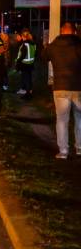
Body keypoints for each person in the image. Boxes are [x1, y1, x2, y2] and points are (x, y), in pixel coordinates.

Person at [43, 22, 81, 159]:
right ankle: (80, 148)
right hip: (78, 87)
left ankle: (63, 151)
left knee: (62, 120)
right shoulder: (78, 45)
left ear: (61, 31)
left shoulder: (53, 46)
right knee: (80, 119)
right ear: (74, 32)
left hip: (60, 87)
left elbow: (43, 57)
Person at [15, 29, 37, 99]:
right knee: (29, 79)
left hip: (24, 64)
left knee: (26, 79)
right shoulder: (33, 44)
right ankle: (29, 92)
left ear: (23, 36)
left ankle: (28, 95)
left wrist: (18, 63)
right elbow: (35, 54)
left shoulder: (24, 44)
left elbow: (22, 55)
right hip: (30, 64)